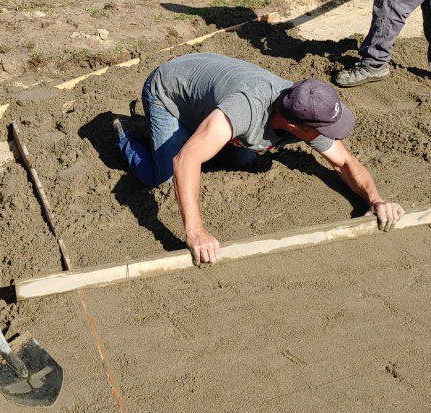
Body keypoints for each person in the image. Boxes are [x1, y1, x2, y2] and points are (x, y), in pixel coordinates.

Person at [113, 53, 405, 264]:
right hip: (168, 89)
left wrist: (375, 199)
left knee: (245, 160)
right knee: (162, 175)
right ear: (293, 126)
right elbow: (185, 160)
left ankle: (200, 129)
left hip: (209, 95)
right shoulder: (247, 109)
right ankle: (126, 134)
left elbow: (344, 162)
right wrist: (196, 231)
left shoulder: (304, 105)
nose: (326, 136)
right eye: (320, 131)